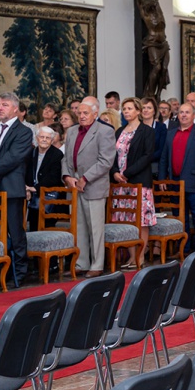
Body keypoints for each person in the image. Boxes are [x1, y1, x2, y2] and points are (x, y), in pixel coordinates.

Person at [62, 97, 117, 278]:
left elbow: (106, 161)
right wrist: (67, 177)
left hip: (93, 185)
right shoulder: (72, 131)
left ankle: (97, 264)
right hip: (74, 185)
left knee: (95, 228)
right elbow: (65, 158)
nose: (82, 116)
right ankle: (82, 262)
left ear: (95, 114)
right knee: (79, 227)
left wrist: (85, 178)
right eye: (79, 113)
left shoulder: (105, 131)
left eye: (86, 113)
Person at [0, 93, 34, 288]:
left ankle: (19, 274)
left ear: (15, 108)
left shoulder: (23, 132)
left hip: (10, 188)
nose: (0, 108)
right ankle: (0, 271)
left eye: (5, 105)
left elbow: (12, 158)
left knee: (15, 232)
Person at [159, 103, 195, 253]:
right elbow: (164, 158)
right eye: (181, 112)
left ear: (194, 115)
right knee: (180, 218)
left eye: (187, 112)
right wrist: (162, 179)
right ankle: (184, 249)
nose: (183, 115)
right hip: (175, 183)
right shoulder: (171, 133)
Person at [111, 97, 157, 266]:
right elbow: (112, 155)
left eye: (130, 108)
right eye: (124, 109)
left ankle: (140, 256)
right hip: (121, 183)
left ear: (138, 111)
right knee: (127, 219)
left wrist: (127, 173)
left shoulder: (147, 131)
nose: (126, 111)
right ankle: (131, 256)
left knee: (141, 220)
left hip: (139, 181)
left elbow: (147, 156)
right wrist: (115, 172)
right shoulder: (119, 131)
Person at [133, 0, 171, 99]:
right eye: (151, 3)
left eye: (154, 3)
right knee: (157, 68)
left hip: (163, 43)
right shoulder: (144, 12)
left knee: (164, 69)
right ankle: (149, 93)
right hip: (152, 43)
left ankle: (158, 94)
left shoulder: (157, 8)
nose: (153, 4)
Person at [26, 126, 64, 232]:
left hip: (49, 195)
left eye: (47, 138)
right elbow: (26, 172)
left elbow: (54, 177)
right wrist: (27, 188)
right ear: (36, 138)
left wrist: (35, 188)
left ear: (52, 140)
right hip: (32, 195)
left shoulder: (57, 154)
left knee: (43, 225)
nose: (44, 140)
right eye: (41, 137)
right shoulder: (31, 152)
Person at [140, 96, 167, 177]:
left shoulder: (161, 127)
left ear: (154, 111)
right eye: (143, 108)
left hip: (154, 168)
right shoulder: (136, 127)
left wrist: (145, 159)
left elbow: (162, 150)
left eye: (149, 108)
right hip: (137, 168)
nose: (146, 110)